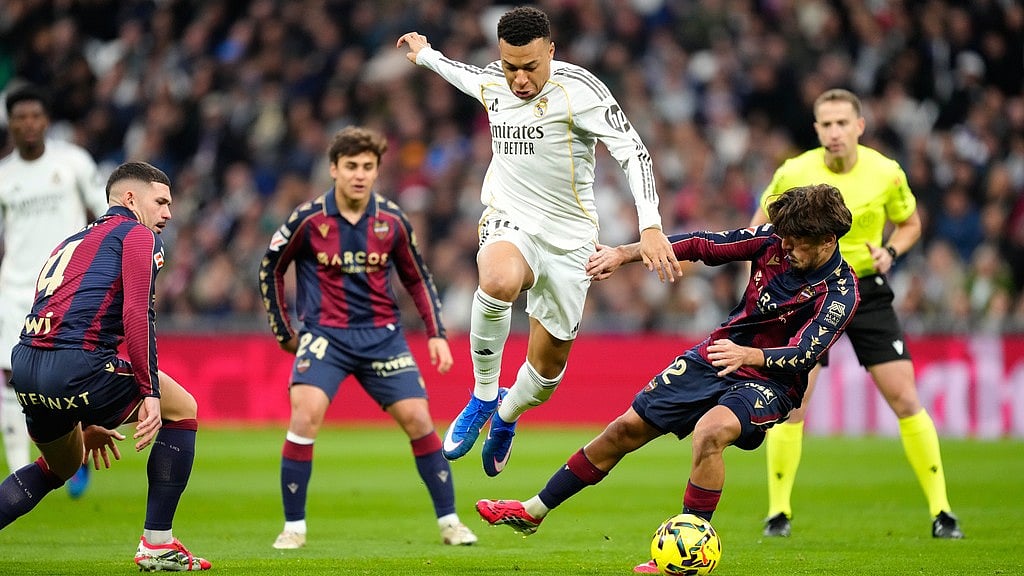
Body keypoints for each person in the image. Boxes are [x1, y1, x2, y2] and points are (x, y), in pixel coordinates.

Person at [475, 183, 859, 575]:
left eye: (797, 242)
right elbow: (702, 245)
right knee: (625, 429)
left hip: (773, 380)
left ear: (827, 240)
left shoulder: (842, 292)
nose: (786, 246)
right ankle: (533, 511)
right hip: (718, 354)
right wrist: (623, 254)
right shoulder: (771, 241)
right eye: (785, 237)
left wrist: (749, 355)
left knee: (711, 432)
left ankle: (687, 556)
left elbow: (805, 354)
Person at [397, 6, 679, 477]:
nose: (521, 79)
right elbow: (462, 74)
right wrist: (426, 54)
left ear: (551, 51)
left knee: (546, 375)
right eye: (511, 67)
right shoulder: (493, 82)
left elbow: (633, 151)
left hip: (570, 242)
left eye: (531, 67)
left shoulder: (581, 92)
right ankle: (484, 396)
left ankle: (507, 415)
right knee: (499, 279)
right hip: (511, 220)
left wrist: (649, 223)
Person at [750, 88, 963, 539]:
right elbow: (759, 225)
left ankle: (942, 512)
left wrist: (890, 252)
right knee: (794, 403)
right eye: (825, 125)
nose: (834, 133)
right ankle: (778, 513)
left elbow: (911, 224)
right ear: (816, 130)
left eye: (842, 123)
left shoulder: (886, 173)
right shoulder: (794, 171)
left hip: (865, 288)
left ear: (860, 126)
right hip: (807, 293)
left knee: (904, 397)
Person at [259, 125, 477, 549]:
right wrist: (284, 329)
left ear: (377, 171)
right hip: (326, 336)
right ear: (334, 170)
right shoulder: (307, 220)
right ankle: (294, 527)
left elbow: (417, 278)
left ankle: (451, 522)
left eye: (368, 167)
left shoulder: (392, 220)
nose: (360, 174)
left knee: (419, 419)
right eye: (351, 166)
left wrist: (435, 333)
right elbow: (270, 268)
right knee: (304, 416)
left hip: (383, 338)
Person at [0, 161, 211, 571]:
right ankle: (157, 543)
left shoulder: (71, 240)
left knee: (59, 466)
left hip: (26, 365)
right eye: (161, 202)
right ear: (131, 198)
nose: (168, 213)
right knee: (182, 408)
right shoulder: (138, 235)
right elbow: (137, 313)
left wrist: (82, 413)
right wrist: (148, 392)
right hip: (77, 364)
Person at [0, 84, 108, 498]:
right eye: (19, 117)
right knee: (12, 378)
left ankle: (75, 448)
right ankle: (18, 469)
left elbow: (105, 216)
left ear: (45, 120)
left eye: (34, 116)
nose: (28, 124)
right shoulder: (5, 177)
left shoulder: (73, 162)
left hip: (68, 287)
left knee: (67, 375)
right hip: (14, 290)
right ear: (10, 124)